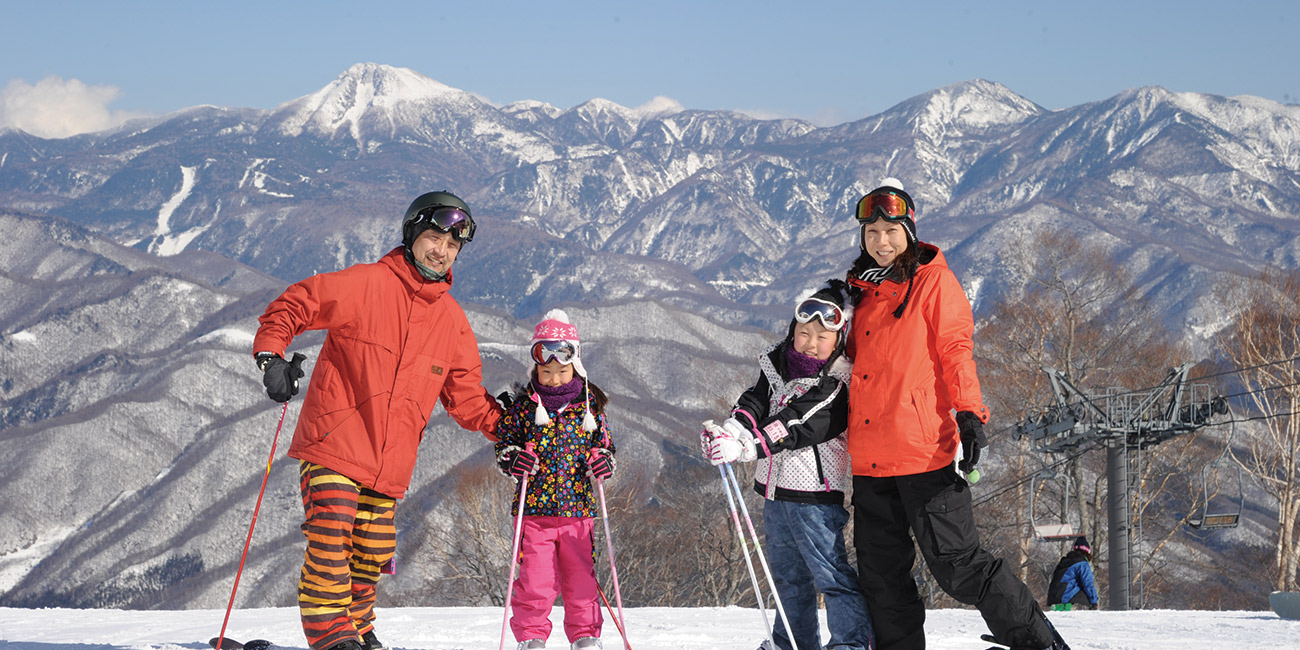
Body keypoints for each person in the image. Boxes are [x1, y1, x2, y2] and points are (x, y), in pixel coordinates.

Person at [252, 190, 505, 650]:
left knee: (370, 553)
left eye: (451, 246)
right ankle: (331, 637)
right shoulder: (366, 284)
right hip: (335, 443)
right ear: (412, 235)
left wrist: (510, 428)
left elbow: (467, 400)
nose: (441, 250)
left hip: (390, 464)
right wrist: (271, 355)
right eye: (433, 238)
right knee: (332, 538)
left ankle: (358, 629)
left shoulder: (453, 323)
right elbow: (298, 303)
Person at [842, 179, 1069, 650]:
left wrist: (969, 414)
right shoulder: (859, 294)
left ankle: (1038, 642)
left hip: (924, 452)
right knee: (883, 581)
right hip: (868, 461)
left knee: (958, 566)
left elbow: (956, 351)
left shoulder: (933, 282)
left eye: (890, 230)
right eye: (871, 232)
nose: (881, 242)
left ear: (909, 231)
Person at [701, 283, 875, 650]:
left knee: (830, 574)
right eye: (803, 333)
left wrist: (746, 446)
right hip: (775, 493)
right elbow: (756, 402)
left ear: (839, 340)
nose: (810, 343)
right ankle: (792, 642)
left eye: (822, 337)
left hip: (815, 497)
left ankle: (851, 643)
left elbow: (796, 424)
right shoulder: (778, 366)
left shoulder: (835, 384)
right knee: (788, 578)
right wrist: (731, 430)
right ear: (792, 332)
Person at [495, 309, 616, 650]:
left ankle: (586, 636)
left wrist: (604, 462)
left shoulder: (589, 408)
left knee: (580, 580)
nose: (553, 379)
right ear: (535, 369)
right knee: (536, 580)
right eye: (546, 372)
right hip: (534, 513)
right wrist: (512, 458)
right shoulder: (523, 409)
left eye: (561, 371)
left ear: (575, 368)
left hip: (578, 512)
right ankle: (531, 636)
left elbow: (605, 446)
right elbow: (505, 444)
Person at [1046, 537, 1099, 610]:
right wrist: (1094, 602)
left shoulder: (1063, 562)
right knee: (1085, 594)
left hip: (1054, 600)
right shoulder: (1082, 564)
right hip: (1068, 600)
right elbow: (1088, 584)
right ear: (1087, 552)